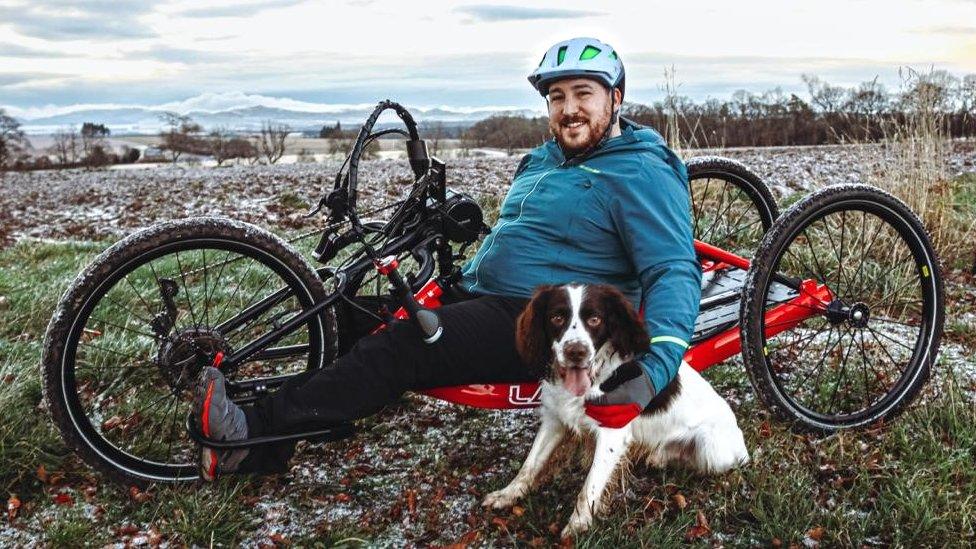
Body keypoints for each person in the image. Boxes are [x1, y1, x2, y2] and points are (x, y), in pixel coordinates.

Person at [193, 37, 702, 480]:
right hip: (484, 289)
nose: (568, 109)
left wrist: (654, 367)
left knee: (404, 345)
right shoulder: (547, 157)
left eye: (583, 93)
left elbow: (673, 270)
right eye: (556, 97)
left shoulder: (640, 173)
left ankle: (248, 442)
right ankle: (314, 412)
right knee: (347, 313)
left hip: (540, 318)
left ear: (615, 99)